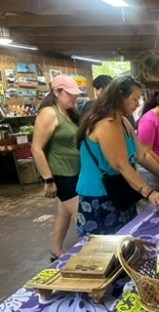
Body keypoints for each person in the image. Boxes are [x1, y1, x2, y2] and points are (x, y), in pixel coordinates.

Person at [76, 75, 159, 236]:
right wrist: (149, 192)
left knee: (125, 239)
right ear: (120, 97)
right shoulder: (108, 123)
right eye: (135, 99)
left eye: (140, 99)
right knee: (106, 248)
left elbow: (142, 155)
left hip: (121, 190)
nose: (138, 103)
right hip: (100, 195)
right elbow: (121, 165)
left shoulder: (123, 121)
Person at [31, 75, 82, 261]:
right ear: (56, 92)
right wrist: (49, 180)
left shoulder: (69, 112)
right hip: (61, 175)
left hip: (75, 172)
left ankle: (56, 251)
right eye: (69, 94)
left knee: (64, 213)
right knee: (83, 218)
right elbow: (36, 149)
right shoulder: (49, 113)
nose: (73, 98)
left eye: (75, 94)